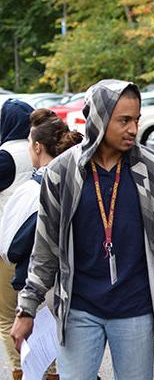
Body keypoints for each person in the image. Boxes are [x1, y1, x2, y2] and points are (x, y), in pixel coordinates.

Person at [10, 79, 154, 380]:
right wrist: (27, 308)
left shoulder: (153, 169)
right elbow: (45, 249)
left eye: (136, 120)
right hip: (79, 309)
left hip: (136, 308)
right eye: (124, 120)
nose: (133, 129)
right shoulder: (62, 172)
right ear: (99, 118)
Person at [0, 108, 83, 380]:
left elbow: (14, 245)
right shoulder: (77, 176)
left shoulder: (37, 186)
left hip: (37, 276)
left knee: (16, 325)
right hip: (78, 275)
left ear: (37, 146)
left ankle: (23, 372)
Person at [0, 98, 33, 379]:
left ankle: (19, 370)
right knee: (43, 314)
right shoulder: (41, 148)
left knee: (7, 316)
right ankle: (53, 370)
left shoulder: (4, 156)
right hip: (43, 241)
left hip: (10, 244)